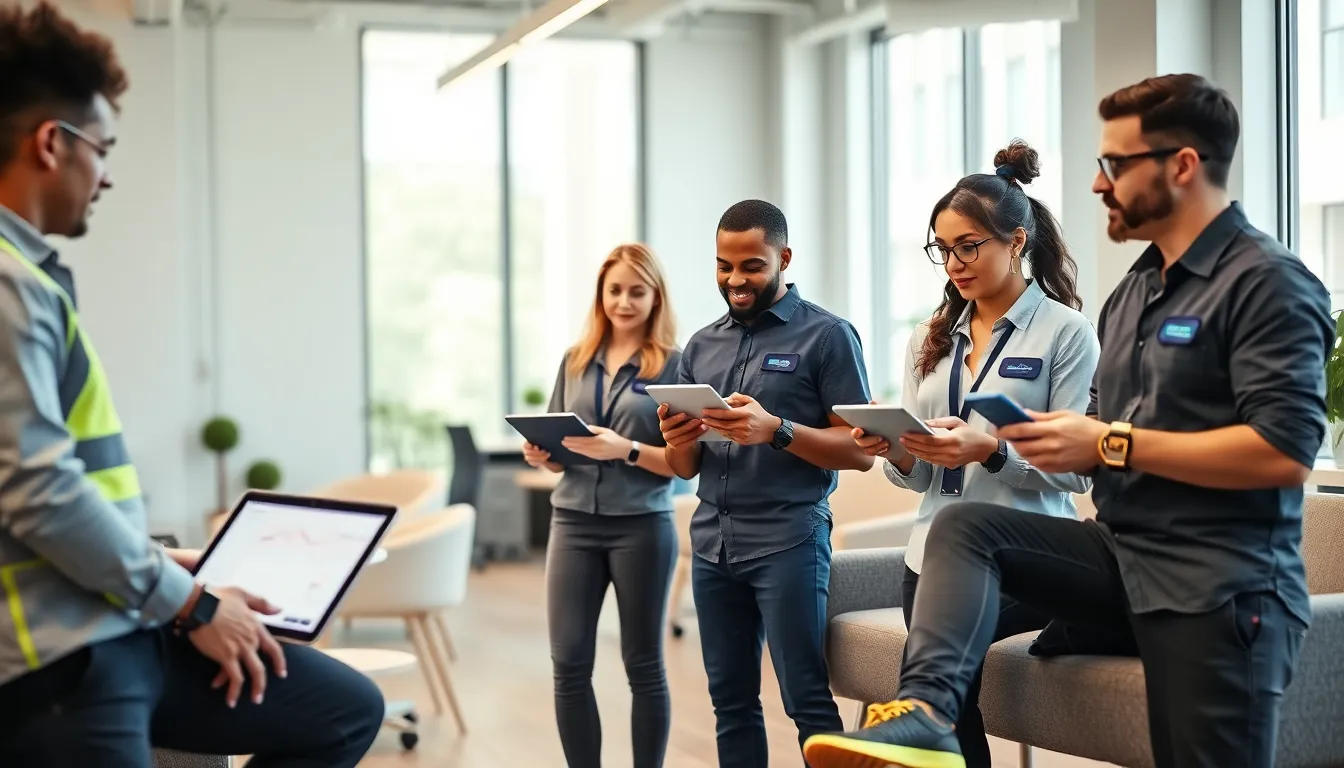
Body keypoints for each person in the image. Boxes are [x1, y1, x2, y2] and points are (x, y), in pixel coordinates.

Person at [803, 73, 1331, 768]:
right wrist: (1033, 443)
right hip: (1121, 555)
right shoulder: (1137, 293)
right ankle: (930, 714)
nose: (1095, 185)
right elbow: (1102, 443)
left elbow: (1284, 452)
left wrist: (1101, 442)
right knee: (964, 528)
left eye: (1114, 164)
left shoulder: (1266, 281)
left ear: (1181, 165)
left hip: (1216, 581)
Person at [0, 5, 384, 766]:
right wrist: (194, 603)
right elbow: (36, 489)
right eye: (102, 150)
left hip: (116, 617)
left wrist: (159, 562)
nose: (107, 174)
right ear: (53, 143)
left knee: (341, 710)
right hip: (59, 656)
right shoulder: (7, 284)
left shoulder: (29, 278)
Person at [849, 139, 1099, 768]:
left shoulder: (1066, 334)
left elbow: (1073, 473)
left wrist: (992, 452)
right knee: (954, 710)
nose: (953, 263)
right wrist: (899, 452)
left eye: (968, 246)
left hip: (1025, 554)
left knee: (934, 685)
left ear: (1017, 242)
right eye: (942, 249)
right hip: (927, 553)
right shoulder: (927, 339)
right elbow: (916, 480)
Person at [656, 199, 873, 767]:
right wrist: (678, 434)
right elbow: (683, 468)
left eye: (751, 265)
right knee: (730, 702)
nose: (735, 279)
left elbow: (860, 451)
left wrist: (775, 430)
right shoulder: (700, 346)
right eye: (724, 266)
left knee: (806, 699)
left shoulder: (828, 337)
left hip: (789, 543)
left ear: (784, 257)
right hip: (713, 545)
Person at [522, 243, 682, 768]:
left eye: (636, 291)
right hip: (571, 522)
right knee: (568, 663)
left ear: (655, 296)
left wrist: (627, 448)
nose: (624, 301)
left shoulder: (675, 365)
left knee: (643, 664)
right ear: (601, 295)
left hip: (641, 525)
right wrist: (541, 454)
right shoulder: (575, 359)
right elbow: (558, 451)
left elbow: (685, 463)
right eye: (614, 290)